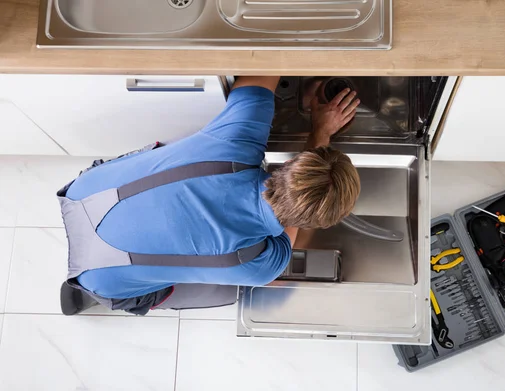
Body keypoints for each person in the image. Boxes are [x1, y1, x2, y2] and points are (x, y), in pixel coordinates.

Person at [58, 76, 361, 315]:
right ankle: (91, 292)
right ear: (313, 222)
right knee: (222, 289)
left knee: (173, 157)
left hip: (84, 193)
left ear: (294, 164)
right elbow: (290, 223)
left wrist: (320, 130)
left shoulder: (236, 144)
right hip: (97, 276)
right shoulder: (262, 264)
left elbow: (263, 67)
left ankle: (98, 284)